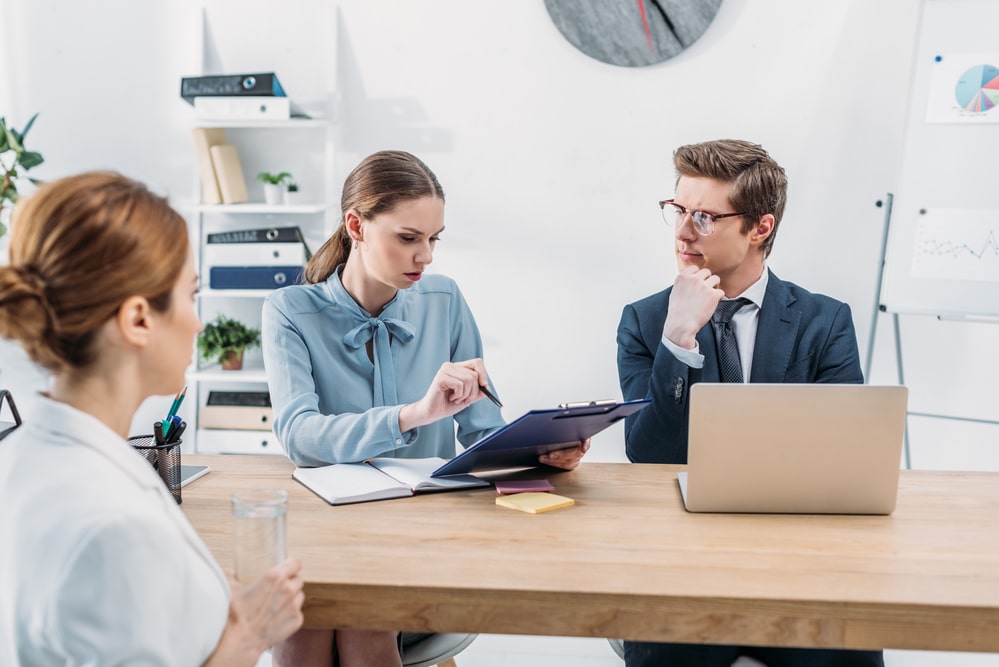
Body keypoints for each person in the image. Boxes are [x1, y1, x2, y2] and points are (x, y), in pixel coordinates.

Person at [262, 149, 588, 666]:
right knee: (305, 627)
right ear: (357, 226)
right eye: (409, 238)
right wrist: (412, 414)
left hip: (422, 531)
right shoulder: (289, 311)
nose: (427, 256)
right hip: (325, 527)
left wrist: (535, 453)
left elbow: (483, 430)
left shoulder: (446, 299)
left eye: (434, 239)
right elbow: (300, 435)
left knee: (363, 623)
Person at [0, 172, 305, 666]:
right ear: (139, 319)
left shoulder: (19, 453)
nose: (200, 322)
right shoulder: (114, 527)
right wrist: (250, 635)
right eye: (190, 295)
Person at [616, 140, 880, 667]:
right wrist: (679, 339)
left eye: (705, 217)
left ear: (760, 228)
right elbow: (647, 452)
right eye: (677, 211)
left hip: (797, 550)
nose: (683, 232)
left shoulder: (823, 321)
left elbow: (843, 458)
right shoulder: (647, 321)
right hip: (683, 553)